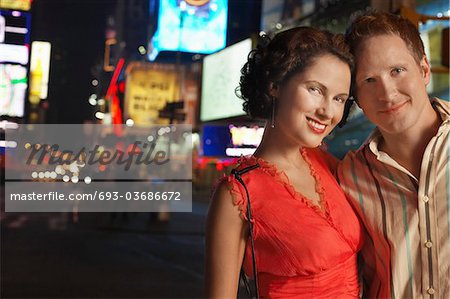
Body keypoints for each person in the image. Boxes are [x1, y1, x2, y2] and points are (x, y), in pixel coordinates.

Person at [205, 27, 363, 298]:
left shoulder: (330, 165)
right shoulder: (238, 194)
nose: (327, 111)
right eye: (315, 89)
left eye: (339, 99)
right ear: (275, 85)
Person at [337, 11, 450, 298]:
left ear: (424, 70)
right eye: (369, 80)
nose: (387, 93)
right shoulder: (350, 175)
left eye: (397, 71)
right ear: (357, 98)